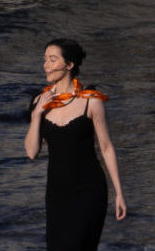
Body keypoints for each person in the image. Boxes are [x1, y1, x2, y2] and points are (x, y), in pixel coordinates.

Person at [24, 38, 126, 250]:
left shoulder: (91, 100)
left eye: (53, 59)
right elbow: (32, 152)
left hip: (89, 191)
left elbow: (106, 147)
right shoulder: (39, 102)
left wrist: (119, 193)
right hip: (57, 194)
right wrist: (36, 114)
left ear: (69, 65)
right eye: (45, 60)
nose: (46, 65)